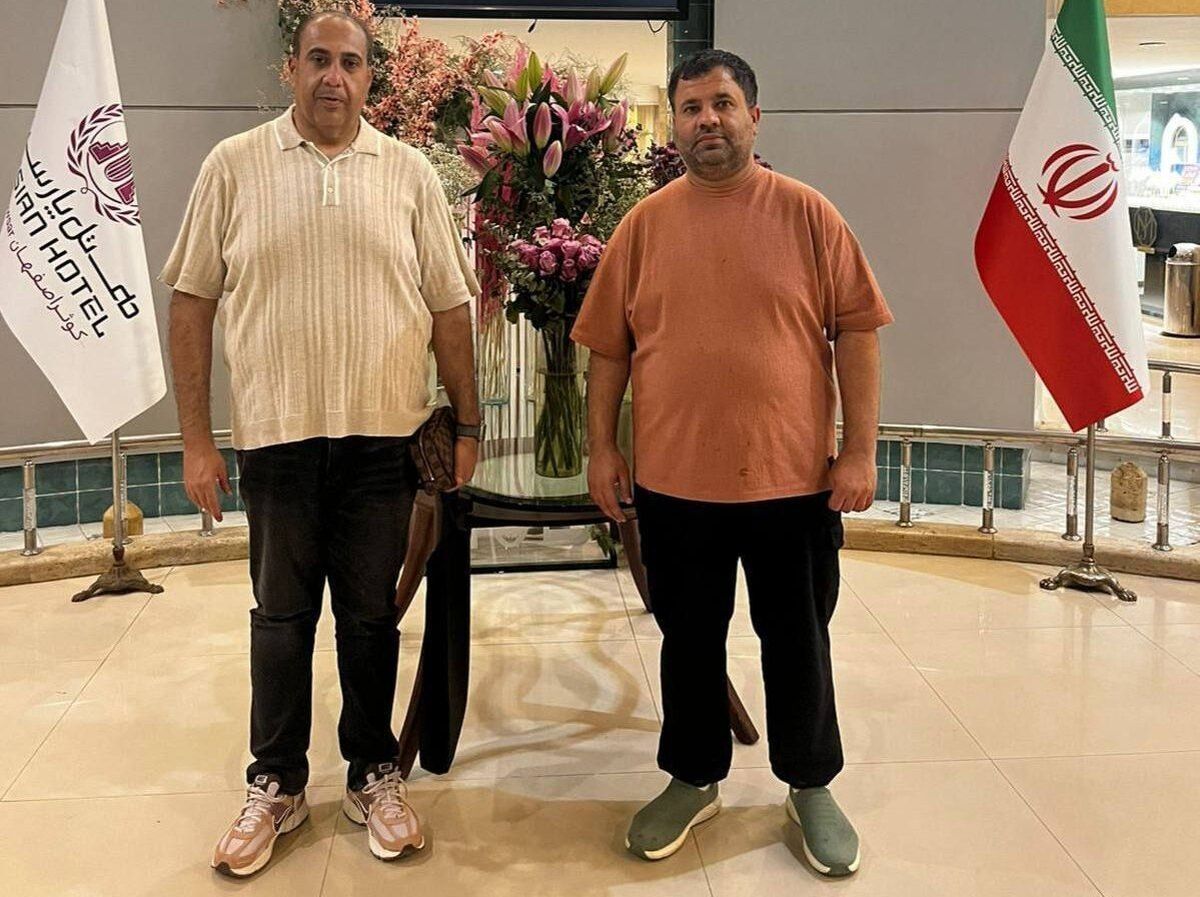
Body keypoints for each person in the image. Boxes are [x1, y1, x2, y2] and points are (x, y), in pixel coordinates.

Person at [161, 11, 482, 878]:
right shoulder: (233, 167)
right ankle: (276, 782)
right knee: (281, 618)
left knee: (371, 616)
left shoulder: (408, 173)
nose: (333, 76)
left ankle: (373, 772)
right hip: (277, 440)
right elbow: (191, 300)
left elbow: (450, 306)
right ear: (290, 70)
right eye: (318, 60)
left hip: (383, 440)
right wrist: (196, 441)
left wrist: (469, 422)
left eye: (350, 63)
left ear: (371, 78)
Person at [572, 49, 893, 878]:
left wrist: (860, 449)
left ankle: (810, 784)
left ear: (755, 116)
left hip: (793, 482)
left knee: (798, 640)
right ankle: (693, 776)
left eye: (722, 104)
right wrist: (602, 446)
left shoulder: (809, 215)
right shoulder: (645, 226)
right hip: (676, 484)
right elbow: (608, 348)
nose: (706, 120)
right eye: (690, 107)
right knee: (688, 641)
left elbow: (858, 331)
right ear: (675, 125)